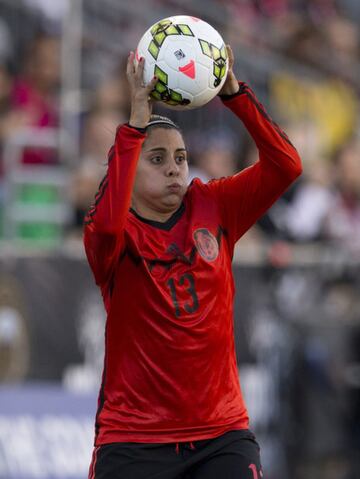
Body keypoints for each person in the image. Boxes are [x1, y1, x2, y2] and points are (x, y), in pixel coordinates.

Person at [84, 45, 302, 479]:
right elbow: (106, 226)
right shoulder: (113, 233)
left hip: (221, 434)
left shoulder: (215, 204)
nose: (174, 170)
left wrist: (235, 95)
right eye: (158, 159)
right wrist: (135, 122)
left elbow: (286, 166)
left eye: (180, 158)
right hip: (134, 438)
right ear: (131, 165)